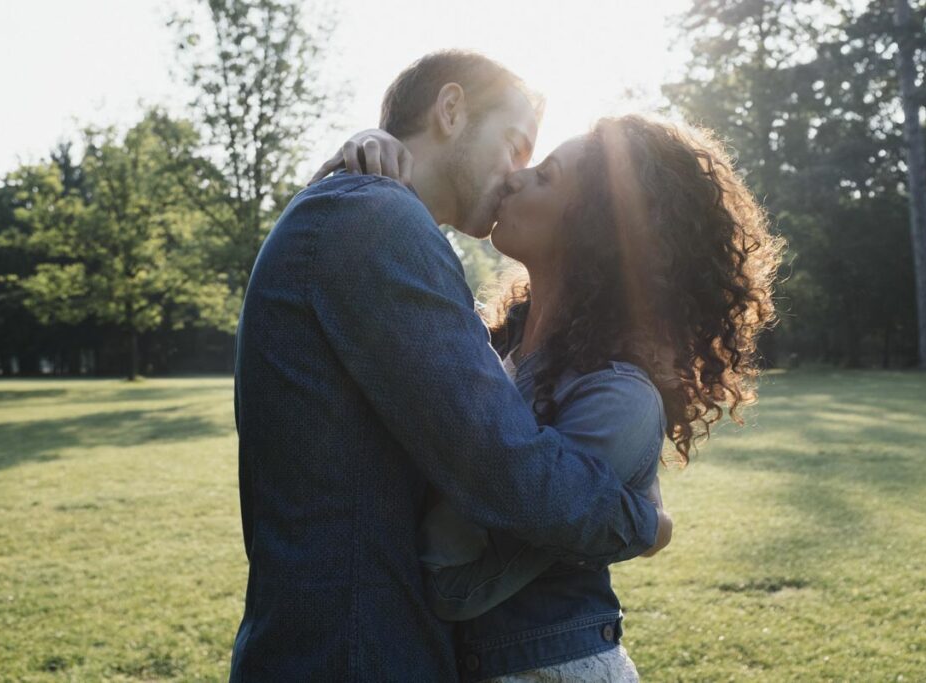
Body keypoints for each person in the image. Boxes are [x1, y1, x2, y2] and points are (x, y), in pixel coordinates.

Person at [230, 50, 671, 682]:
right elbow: (502, 466)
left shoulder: (360, 212)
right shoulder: (375, 221)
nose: (516, 176)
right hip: (353, 654)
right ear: (452, 109)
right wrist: (642, 520)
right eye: (516, 146)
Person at [318, 114, 784, 680]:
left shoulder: (620, 394)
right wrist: (379, 157)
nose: (516, 177)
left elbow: (458, 580)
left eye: (545, 176)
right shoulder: (495, 343)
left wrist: (637, 522)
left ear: (598, 227)